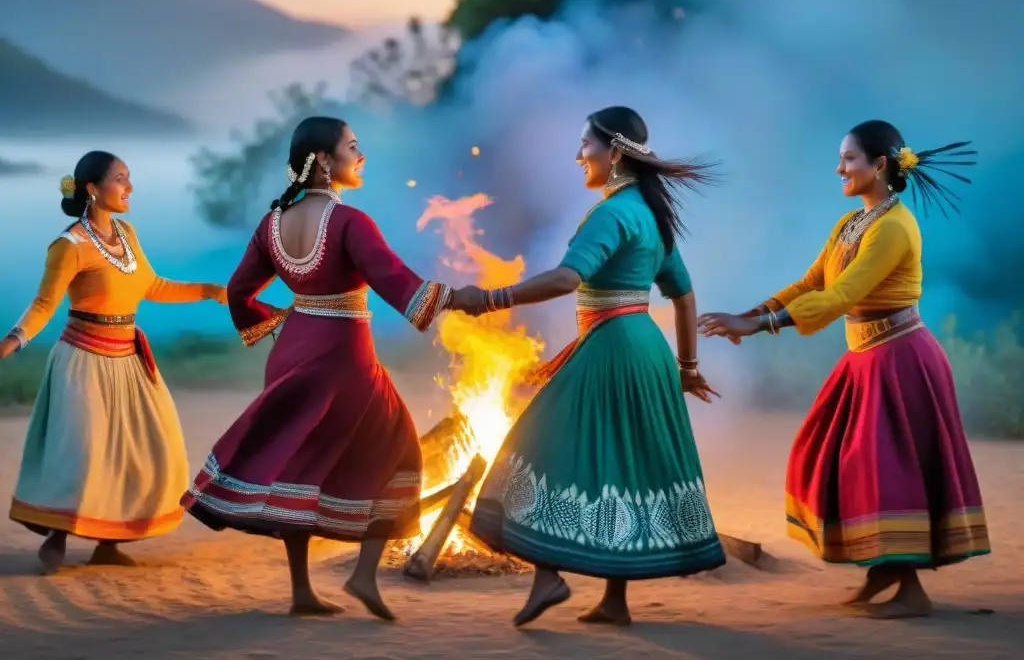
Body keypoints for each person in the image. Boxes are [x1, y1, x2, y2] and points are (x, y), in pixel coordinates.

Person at [181, 116, 479, 619]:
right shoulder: (349, 223)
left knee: (301, 459)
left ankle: (302, 590)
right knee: (400, 451)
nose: (361, 157)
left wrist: (274, 324)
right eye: (353, 148)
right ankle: (363, 576)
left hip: (293, 351)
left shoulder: (271, 224)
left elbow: (237, 292)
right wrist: (464, 297)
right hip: (345, 359)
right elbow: (398, 283)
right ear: (323, 161)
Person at [698, 120, 990, 619]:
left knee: (887, 469)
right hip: (865, 359)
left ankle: (910, 589)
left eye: (849, 159)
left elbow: (842, 295)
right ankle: (884, 569)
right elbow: (813, 281)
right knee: (826, 453)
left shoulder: (895, 227)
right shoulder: (850, 224)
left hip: (899, 359)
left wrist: (760, 326)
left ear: (879, 165)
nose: (839, 168)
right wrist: (747, 316)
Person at [464, 106, 726, 628]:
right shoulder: (650, 214)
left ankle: (549, 576)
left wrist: (492, 297)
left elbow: (566, 279)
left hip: (613, 348)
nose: (578, 155)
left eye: (585, 144)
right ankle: (613, 600)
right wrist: (688, 366)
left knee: (540, 445)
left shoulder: (613, 213)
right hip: (643, 349)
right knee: (619, 465)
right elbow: (684, 294)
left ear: (615, 151)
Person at [0, 151, 228, 574]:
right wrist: (12, 341)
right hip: (82, 359)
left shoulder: (127, 233)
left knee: (140, 448)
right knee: (84, 450)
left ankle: (110, 540)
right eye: (120, 178)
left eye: (129, 178)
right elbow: (44, 304)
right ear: (92, 189)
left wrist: (212, 290)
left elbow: (152, 285)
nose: (129, 187)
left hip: (127, 357)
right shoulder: (68, 245)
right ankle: (57, 534)